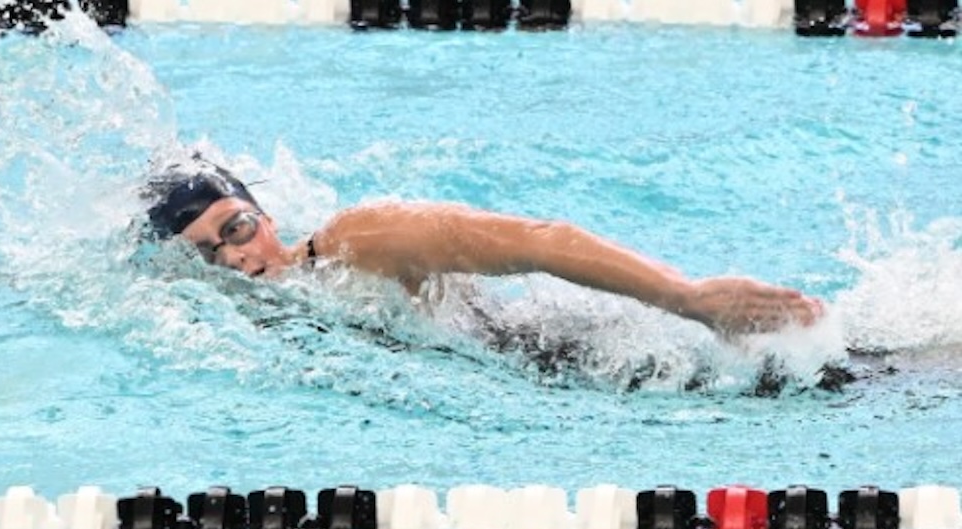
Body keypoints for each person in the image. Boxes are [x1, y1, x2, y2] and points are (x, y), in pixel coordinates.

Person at [140, 159, 824, 337]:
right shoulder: (241, 324)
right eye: (204, 253)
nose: (233, 258)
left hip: (568, 357)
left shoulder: (358, 241)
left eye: (234, 228)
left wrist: (687, 296)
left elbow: (540, 242)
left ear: (264, 214)